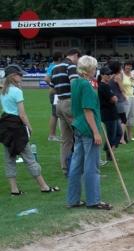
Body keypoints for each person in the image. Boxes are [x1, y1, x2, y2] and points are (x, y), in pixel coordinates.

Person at [0, 64, 59, 196]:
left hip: (5, 126)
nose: (21, 76)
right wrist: (29, 126)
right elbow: (22, 113)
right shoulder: (17, 91)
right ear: (13, 76)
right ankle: (44, 186)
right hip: (16, 126)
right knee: (29, 158)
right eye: (19, 74)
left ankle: (14, 190)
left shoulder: (4, 90)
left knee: (9, 158)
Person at [67, 55, 111, 209]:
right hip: (87, 128)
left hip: (78, 126)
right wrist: (96, 132)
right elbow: (88, 110)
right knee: (92, 166)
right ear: (89, 68)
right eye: (94, 67)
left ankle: (73, 200)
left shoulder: (76, 82)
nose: (96, 70)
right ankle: (93, 200)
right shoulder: (86, 85)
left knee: (76, 164)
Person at [51, 48, 81, 176]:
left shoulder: (55, 67)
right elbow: (74, 83)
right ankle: (79, 166)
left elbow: (52, 87)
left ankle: (65, 167)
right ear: (75, 55)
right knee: (80, 134)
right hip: (70, 102)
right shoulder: (71, 66)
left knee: (66, 139)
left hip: (59, 103)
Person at [97, 66, 121, 164]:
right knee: (111, 135)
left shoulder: (107, 85)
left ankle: (109, 150)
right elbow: (113, 99)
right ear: (102, 75)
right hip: (108, 114)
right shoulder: (103, 86)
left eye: (110, 74)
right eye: (107, 74)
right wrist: (114, 98)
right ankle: (109, 153)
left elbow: (115, 98)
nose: (109, 76)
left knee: (118, 133)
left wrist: (114, 98)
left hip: (113, 112)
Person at [44, 52, 62, 142]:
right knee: (55, 114)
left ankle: (53, 135)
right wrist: (54, 86)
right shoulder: (55, 66)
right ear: (59, 58)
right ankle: (51, 135)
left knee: (56, 114)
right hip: (55, 93)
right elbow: (46, 78)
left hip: (53, 93)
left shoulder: (51, 65)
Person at [121, 61, 134, 142]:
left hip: (133, 97)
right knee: (124, 117)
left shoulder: (133, 75)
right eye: (127, 65)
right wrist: (123, 96)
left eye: (130, 66)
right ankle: (121, 137)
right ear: (124, 66)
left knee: (132, 117)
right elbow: (119, 86)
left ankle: (130, 136)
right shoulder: (121, 74)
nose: (128, 67)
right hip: (125, 97)